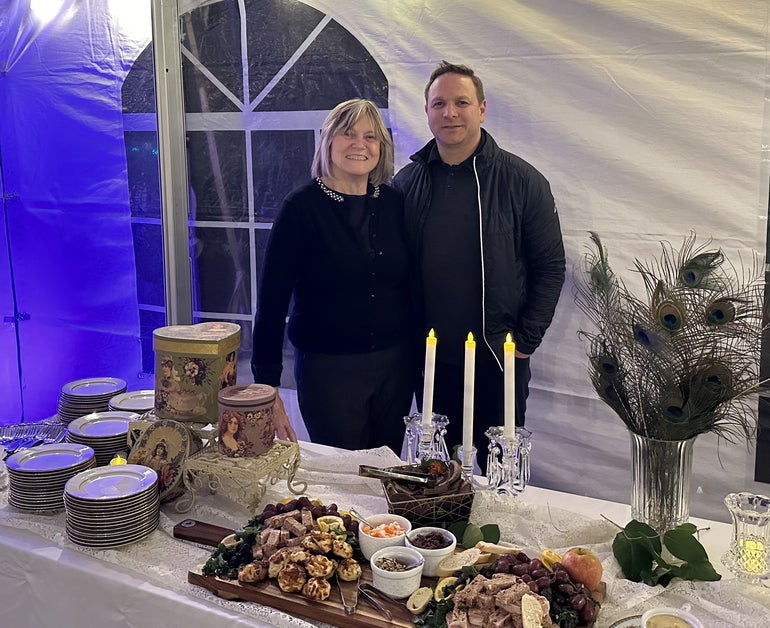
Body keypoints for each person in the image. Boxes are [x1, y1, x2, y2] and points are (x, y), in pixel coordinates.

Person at [393, 61, 565, 469]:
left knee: (497, 475)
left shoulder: (522, 181)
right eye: (439, 104)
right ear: (427, 112)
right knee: (437, 473)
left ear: (482, 109)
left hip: (497, 359)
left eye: (461, 102)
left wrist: (525, 342)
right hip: (430, 360)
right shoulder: (406, 183)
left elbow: (550, 266)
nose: (450, 113)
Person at [252, 98, 416, 453]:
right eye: (348, 134)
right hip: (329, 372)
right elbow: (270, 302)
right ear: (328, 141)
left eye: (371, 137)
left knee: (386, 470)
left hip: (395, 367)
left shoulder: (394, 203)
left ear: (382, 147)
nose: (361, 144)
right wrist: (267, 387)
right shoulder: (301, 209)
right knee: (344, 476)